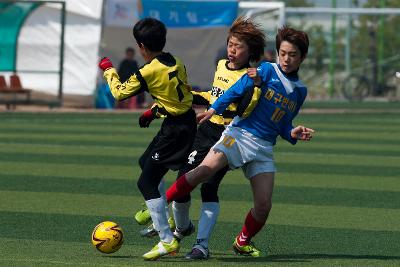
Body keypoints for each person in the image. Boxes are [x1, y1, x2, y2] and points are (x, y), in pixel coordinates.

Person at [163, 25, 315, 257]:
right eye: (282, 53)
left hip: (263, 148)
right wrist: (213, 110)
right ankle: (156, 206)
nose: (286, 59)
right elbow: (234, 90)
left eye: (292, 55)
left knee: (264, 206)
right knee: (203, 172)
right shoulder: (265, 71)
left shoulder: (300, 91)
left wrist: (292, 132)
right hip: (240, 135)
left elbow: (282, 123)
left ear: (302, 57)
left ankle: (242, 241)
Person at [135, 16, 266, 260]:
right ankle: (180, 228)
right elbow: (213, 94)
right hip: (204, 132)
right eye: (230, 44)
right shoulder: (220, 66)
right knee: (183, 180)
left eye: (239, 46)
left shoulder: (251, 80)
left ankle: (201, 246)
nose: (232, 50)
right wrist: (188, 96)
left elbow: (242, 111)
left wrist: (220, 105)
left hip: (227, 138)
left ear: (251, 51)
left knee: (208, 186)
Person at [98, 17, 197, 260]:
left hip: (175, 130)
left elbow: (119, 93)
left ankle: (166, 239)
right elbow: (176, 96)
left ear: (141, 46)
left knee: (145, 182)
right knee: (146, 163)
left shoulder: (147, 70)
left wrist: (108, 69)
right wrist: (154, 111)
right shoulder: (175, 60)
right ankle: (172, 221)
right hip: (183, 123)